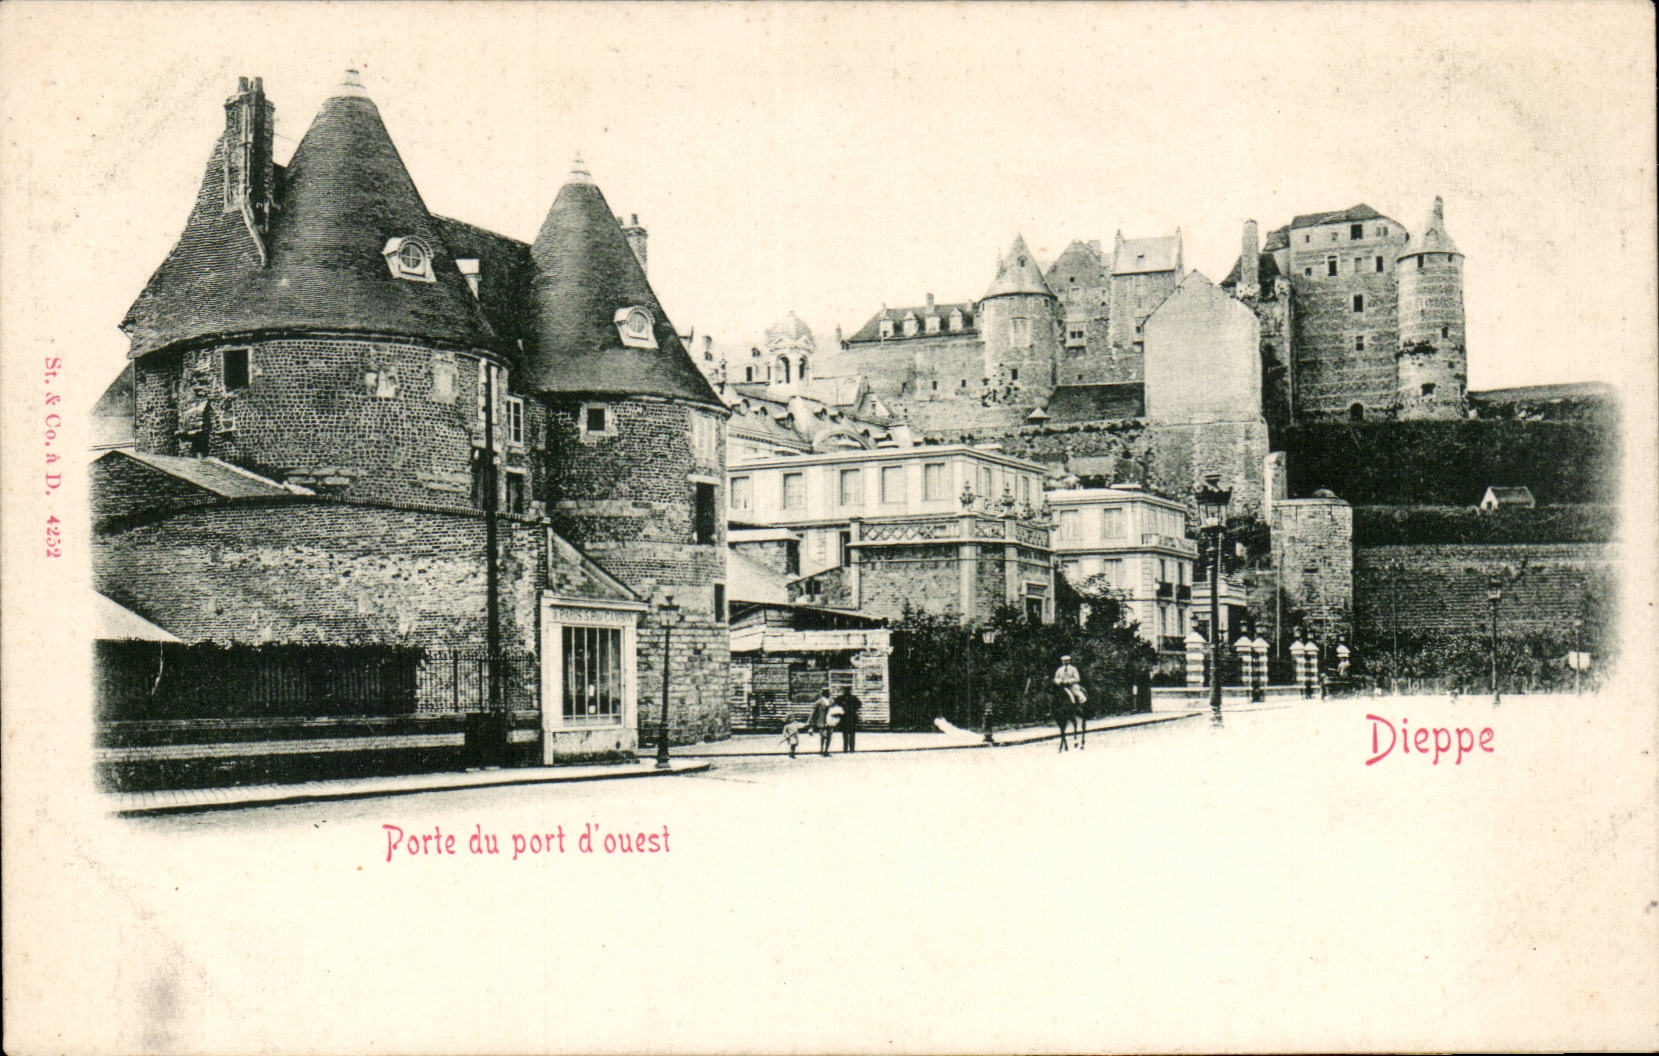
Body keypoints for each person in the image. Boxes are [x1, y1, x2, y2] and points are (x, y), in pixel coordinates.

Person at [808, 687, 835, 756]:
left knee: (829, 737)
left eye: (828, 692)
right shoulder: (818, 702)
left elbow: (835, 711)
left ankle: (826, 750)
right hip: (821, 722)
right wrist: (810, 724)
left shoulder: (832, 702)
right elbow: (813, 713)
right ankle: (822, 749)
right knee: (823, 736)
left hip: (830, 722)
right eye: (826, 693)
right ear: (823, 693)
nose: (828, 694)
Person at [836, 686, 862, 753]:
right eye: (845, 690)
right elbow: (836, 705)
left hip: (851, 718)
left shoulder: (853, 698)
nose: (846, 692)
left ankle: (852, 749)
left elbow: (859, 704)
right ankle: (845, 749)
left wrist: (854, 709)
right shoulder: (840, 698)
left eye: (848, 690)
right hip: (844, 718)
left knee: (852, 734)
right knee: (845, 734)